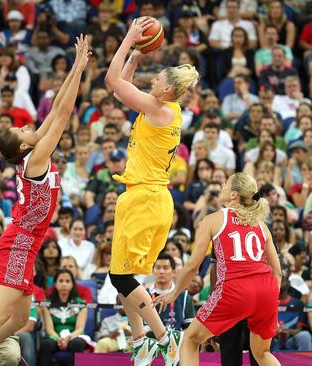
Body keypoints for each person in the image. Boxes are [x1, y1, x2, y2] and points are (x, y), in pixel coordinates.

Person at [0, 35, 89, 366]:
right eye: (23, 130)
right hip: (20, 242)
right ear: (24, 147)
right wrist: (79, 68)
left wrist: (76, 66)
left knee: (18, 319)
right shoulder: (36, 158)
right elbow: (65, 112)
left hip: (27, 243)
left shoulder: (31, 154)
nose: (27, 126)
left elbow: (56, 108)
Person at [103, 17, 200, 366]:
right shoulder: (162, 107)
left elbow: (111, 81)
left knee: (122, 276)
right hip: (144, 197)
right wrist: (136, 58)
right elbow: (121, 86)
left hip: (147, 197)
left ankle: (163, 336)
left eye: (157, 79)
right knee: (121, 274)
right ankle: (140, 339)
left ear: (167, 90)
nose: (153, 79)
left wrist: (129, 40)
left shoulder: (158, 109)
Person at [154, 172, 282, 366]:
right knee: (262, 353)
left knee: (190, 339)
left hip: (235, 288)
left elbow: (192, 266)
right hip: (267, 290)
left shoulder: (213, 219)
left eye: (226, 184)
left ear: (234, 195)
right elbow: (277, 272)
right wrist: (271, 298)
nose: (222, 186)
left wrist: (173, 294)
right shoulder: (261, 225)